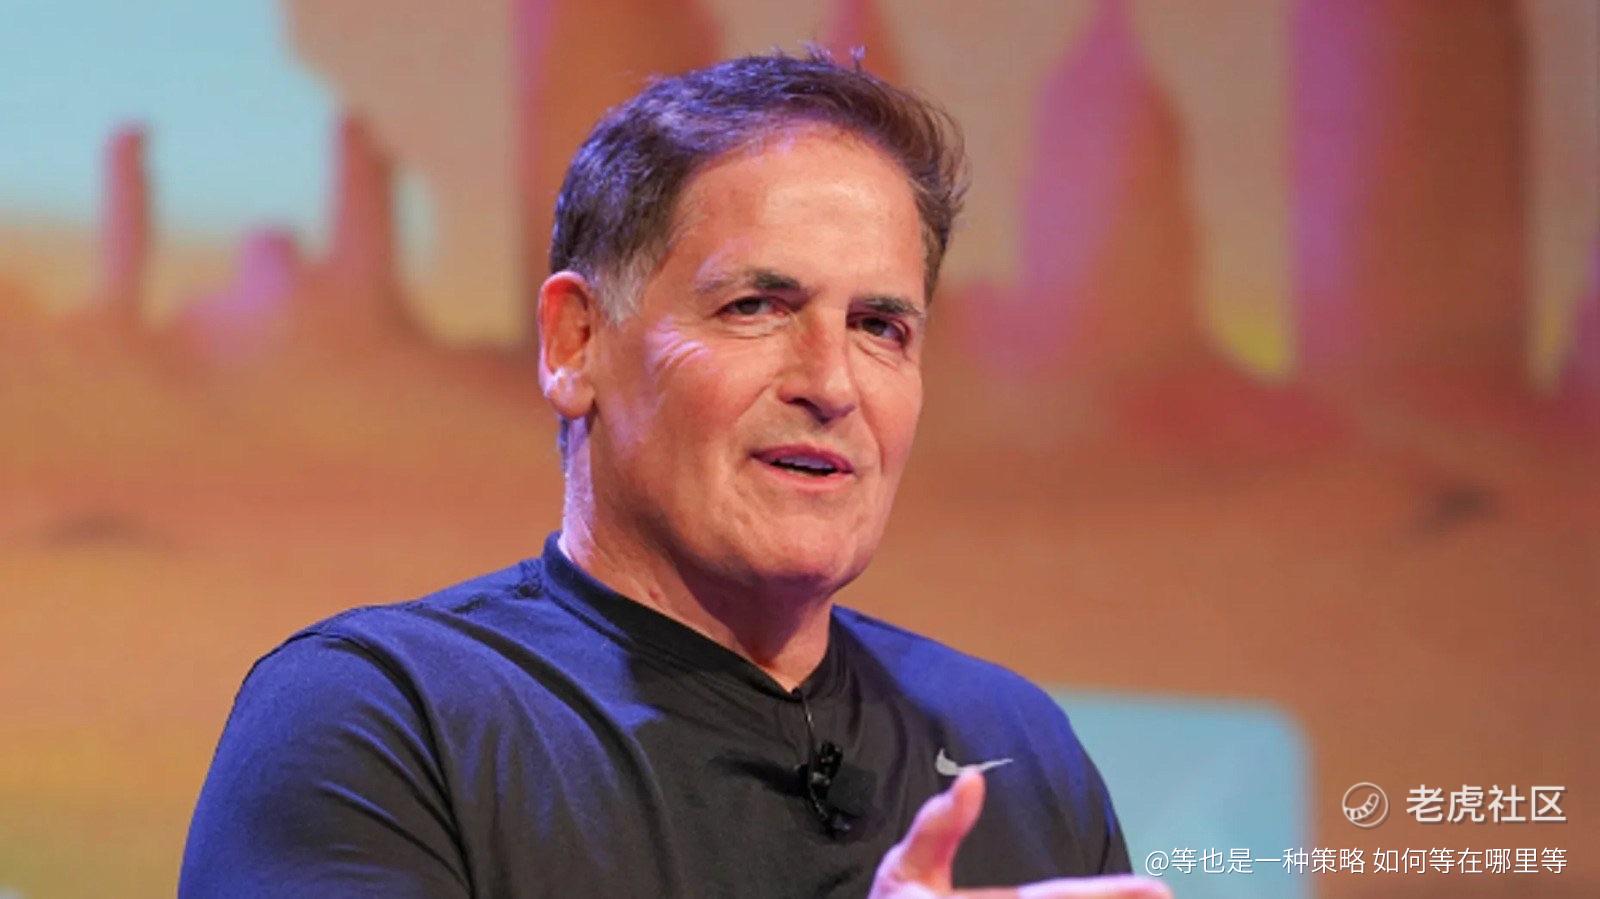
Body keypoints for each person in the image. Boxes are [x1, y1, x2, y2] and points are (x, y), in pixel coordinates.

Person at [180, 50, 1169, 898]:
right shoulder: (382, 718)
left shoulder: (1013, 746)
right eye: (755, 308)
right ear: (575, 341)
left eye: (879, 326)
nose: (831, 384)